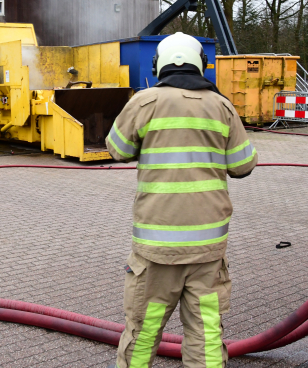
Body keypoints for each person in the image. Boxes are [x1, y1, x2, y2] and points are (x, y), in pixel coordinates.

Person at [105, 32, 257, 368]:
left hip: (157, 253)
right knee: (205, 336)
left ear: (158, 65)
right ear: (200, 65)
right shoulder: (222, 106)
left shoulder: (144, 101)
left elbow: (117, 149)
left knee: (144, 334)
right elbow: (243, 165)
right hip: (207, 252)